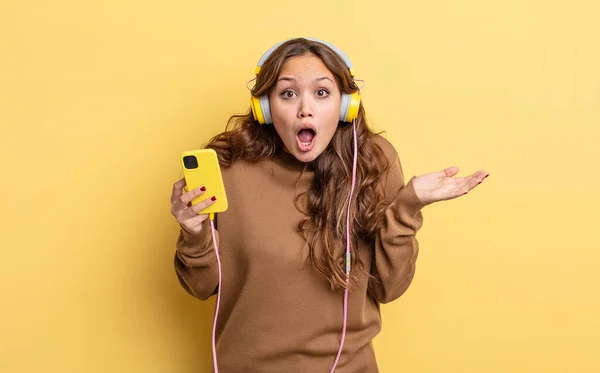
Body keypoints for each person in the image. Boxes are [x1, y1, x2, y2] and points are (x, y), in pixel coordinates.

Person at [169, 37, 489, 373]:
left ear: (344, 105)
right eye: (288, 93)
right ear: (264, 107)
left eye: (321, 93)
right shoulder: (228, 167)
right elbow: (201, 287)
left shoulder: (372, 163)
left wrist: (407, 208)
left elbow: (389, 288)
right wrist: (193, 232)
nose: (304, 109)